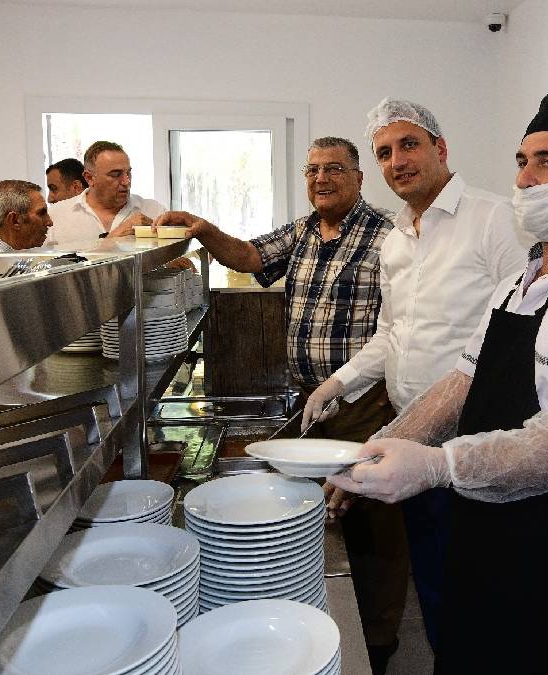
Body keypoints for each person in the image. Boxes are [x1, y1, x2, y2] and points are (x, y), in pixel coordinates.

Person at [328, 86, 548, 674]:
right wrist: (378, 447)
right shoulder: (519, 282)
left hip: (547, 541)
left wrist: (437, 466)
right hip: (482, 523)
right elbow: (461, 382)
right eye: (522, 162)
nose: (527, 180)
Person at [154, 136, 404, 673]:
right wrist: (201, 228)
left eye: (334, 168)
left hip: (364, 403)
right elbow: (247, 256)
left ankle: (380, 641)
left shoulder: (388, 235)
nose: (321, 179)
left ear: (359, 177)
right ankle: (320, 623)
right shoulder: (303, 230)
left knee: (376, 525)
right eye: (311, 169)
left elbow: (400, 328)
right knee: (320, 520)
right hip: (309, 405)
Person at [306, 98, 528, 651]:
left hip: (474, 437)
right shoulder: (397, 238)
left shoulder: (494, 218)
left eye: (409, 145)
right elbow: (392, 334)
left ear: (440, 148)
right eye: (384, 152)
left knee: (480, 584)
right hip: (410, 430)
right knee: (432, 572)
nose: (397, 160)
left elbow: (522, 333)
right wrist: (338, 383)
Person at [46, 141, 164, 247]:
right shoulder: (56, 216)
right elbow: (44, 266)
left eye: (128, 173)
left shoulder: (154, 210)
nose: (126, 181)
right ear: (89, 178)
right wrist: (115, 236)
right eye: (115, 174)